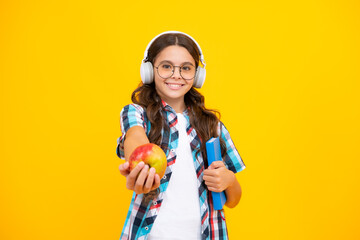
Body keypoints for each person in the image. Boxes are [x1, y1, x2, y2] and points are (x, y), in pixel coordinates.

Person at [116, 31, 246, 240]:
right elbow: (135, 137)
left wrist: (229, 180)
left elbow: (233, 200)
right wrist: (140, 167)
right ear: (149, 70)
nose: (176, 75)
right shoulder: (136, 113)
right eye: (166, 66)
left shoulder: (213, 126)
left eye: (186, 68)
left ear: (197, 74)